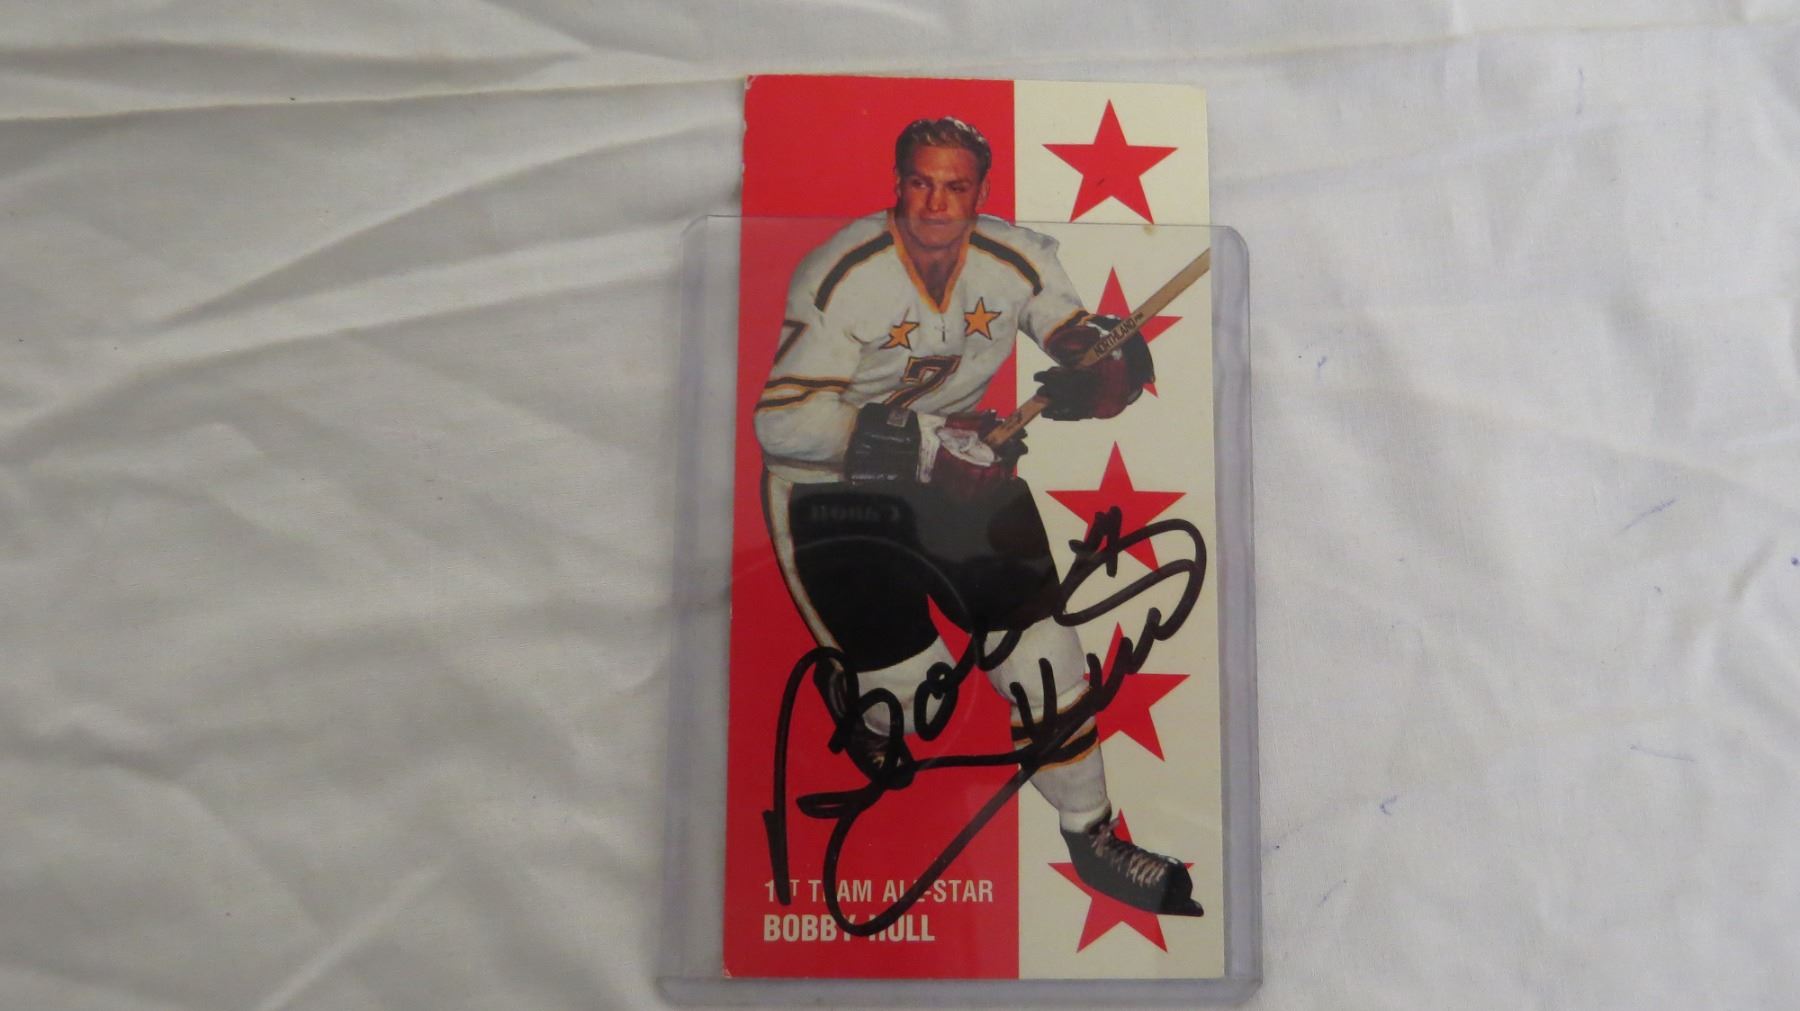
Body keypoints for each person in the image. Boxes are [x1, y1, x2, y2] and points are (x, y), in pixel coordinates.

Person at [754, 116, 1201, 918]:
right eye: (921, 183)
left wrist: (1103, 369)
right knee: (914, 697)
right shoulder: (841, 273)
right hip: (832, 491)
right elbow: (781, 423)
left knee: (1045, 655)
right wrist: (925, 445)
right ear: (898, 185)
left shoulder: (1016, 257)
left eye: (955, 186)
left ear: (981, 192)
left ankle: (1091, 833)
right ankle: (862, 694)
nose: (936, 203)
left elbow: (1074, 337)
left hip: (962, 468)